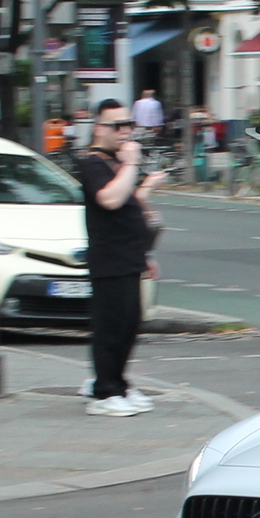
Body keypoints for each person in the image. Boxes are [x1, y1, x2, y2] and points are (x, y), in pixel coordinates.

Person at [75, 101, 165, 417]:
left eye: (128, 124)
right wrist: (130, 166)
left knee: (129, 324)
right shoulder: (92, 164)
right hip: (109, 257)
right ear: (99, 128)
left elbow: (130, 202)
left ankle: (118, 382)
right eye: (117, 125)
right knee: (110, 326)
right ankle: (104, 391)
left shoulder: (115, 163)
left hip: (130, 256)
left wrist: (145, 253)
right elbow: (110, 199)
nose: (125, 131)